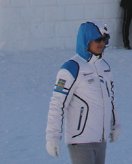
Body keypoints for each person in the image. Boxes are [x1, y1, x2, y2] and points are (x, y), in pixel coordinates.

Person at [45, 21, 121, 164]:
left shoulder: (104, 67)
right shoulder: (71, 68)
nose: (102, 43)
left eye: (105, 39)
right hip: (81, 140)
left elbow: (111, 100)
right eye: (98, 39)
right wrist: (52, 137)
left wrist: (115, 125)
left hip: (101, 139)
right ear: (86, 40)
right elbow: (57, 104)